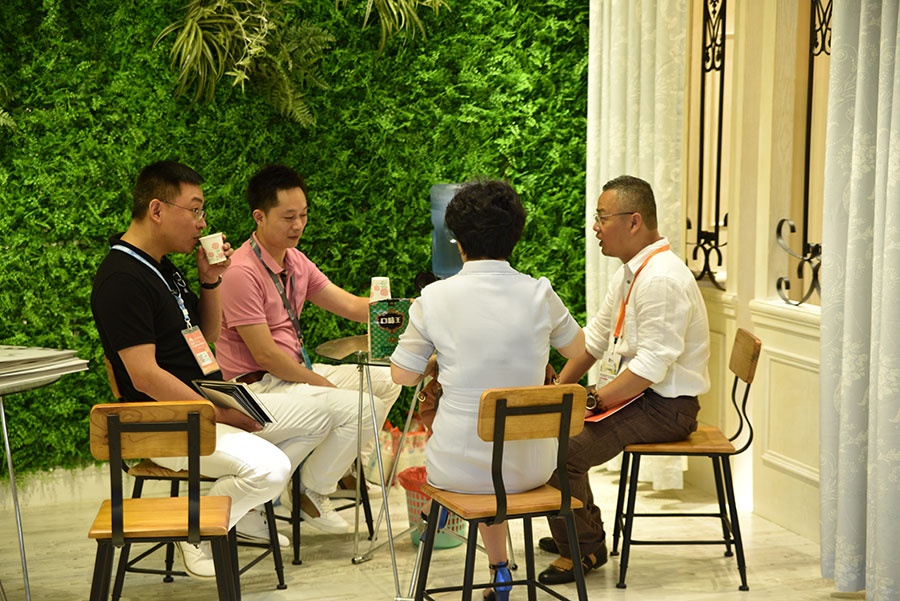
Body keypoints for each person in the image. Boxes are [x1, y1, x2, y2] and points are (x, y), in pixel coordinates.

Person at [91, 160, 336, 579]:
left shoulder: (162, 266)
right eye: (195, 210)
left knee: (322, 415)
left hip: (206, 401)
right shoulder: (122, 279)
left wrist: (210, 282)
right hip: (167, 422)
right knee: (272, 468)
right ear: (157, 210)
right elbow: (144, 375)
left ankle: (233, 510)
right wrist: (216, 413)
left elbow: (205, 336)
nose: (202, 222)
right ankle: (195, 531)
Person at [390, 179, 586, 601]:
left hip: (458, 470)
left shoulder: (433, 298)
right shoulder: (540, 293)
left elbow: (402, 376)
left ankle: (488, 564)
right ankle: (499, 568)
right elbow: (578, 349)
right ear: (515, 236)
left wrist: (437, 359)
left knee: (478, 462)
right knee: (495, 458)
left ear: (458, 241)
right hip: (535, 467)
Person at [536, 175, 710, 585]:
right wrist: (560, 392)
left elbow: (650, 369)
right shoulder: (633, 272)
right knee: (548, 431)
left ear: (634, 222)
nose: (595, 227)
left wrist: (590, 401)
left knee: (558, 451)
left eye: (602, 217)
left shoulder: (661, 278)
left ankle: (583, 546)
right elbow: (594, 340)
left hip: (666, 407)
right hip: (641, 396)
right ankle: (579, 529)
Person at [215, 164, 401, 533]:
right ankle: (308, 491)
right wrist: (320, 383)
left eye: (303, 215)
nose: (298, 225)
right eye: (288, 217)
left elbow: (350, 306)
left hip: (295, 373)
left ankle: (336, 472)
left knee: (388, 380)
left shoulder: (295, 260)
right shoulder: (240, 272)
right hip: (259, 384)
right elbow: (266, 356)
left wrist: (410, 310)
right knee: (365, 407)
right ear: (259, 216)